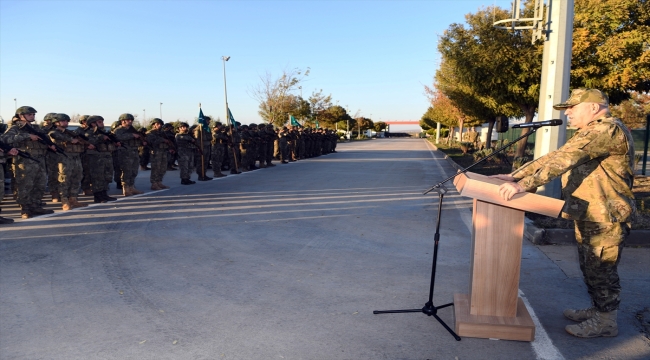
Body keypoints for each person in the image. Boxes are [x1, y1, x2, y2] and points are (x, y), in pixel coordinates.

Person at [492, 88, 635, 338]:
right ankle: (598, 309)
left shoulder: (606, 129)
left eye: (572, 107)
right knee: (590, 265)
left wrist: (521, 185)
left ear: (593, 107)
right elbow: (556, 156)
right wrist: (516, 175)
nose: (568, 112)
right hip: (591, 211)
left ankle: (606, 321)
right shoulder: (590, 131)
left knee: (601, 267)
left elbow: (563, 162)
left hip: (606, 214)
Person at [2, 106, 55, 218]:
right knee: (25, 184)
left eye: (33, 114)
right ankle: (25, 209)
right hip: (24, 160)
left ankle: (36, 206)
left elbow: (45, 137)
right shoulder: (15, 128)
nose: (32, 116)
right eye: (30, 114)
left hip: (40, 159)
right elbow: (5, 139)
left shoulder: (36, 128)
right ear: (21, 116)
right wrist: (27, 136)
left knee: (40, 184)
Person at [48, 113, 87, 210]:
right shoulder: (53, 132)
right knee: (64, 179)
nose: (65, 122)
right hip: (63, 158)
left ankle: (73, 198)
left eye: (66, 121)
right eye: (63, 121)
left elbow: (82, 141)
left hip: (76, 157)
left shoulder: (69, 132)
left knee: (77, 177)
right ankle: (64, 200)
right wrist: (70, 139)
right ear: (56, 122)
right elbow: (55, 136)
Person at [83, 115, 118, 203]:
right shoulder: (88, 133)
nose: (102, 123)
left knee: (107, 176)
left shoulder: (104, 132)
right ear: (92, 124)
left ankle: (104, 194)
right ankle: (98, 196)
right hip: (96, 158)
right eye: (99, 122)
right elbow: (89, 141)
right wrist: (100, 138)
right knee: (97, 177)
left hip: (106, 157)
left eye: (102, 121)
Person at [113, 113, 145, 196]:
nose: (130, 121)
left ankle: (131, 187)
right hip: (124, 153)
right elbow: (118, 137)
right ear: (122, 121)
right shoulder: (118, 130)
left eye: (131, 120)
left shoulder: (133, 129)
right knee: (126, 171)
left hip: (134, 152)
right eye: (128, 120)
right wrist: (132, 135)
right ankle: (126, 189)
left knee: (134, 171)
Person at [146, 118, 173, 190]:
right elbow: (151, 141)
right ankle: (154, 183)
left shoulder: (162, 133)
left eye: (160, 124)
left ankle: (159, 182)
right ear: (153, 125)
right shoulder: (150, 133)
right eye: (157, 124)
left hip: (163, 151)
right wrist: (163, 140)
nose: (159, 125)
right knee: (156, 168)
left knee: (163, 168)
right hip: (156, 152)